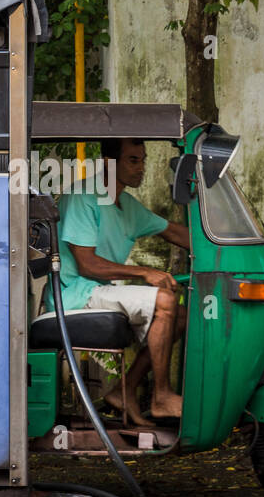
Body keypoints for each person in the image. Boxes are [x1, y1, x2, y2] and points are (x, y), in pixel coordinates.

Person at [48, 138, 190, 424]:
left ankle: (124, 390)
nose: (141, 168)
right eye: (133, 160)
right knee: (165, 299)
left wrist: (222, 246)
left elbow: (174, 232)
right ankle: (161, 396)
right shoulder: (83, 195)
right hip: (74, 295)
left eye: (143, 160)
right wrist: (145, 273)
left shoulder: (126, 204)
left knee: (182, 316)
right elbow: (87, 264)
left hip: (99, 292)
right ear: (108, 163)